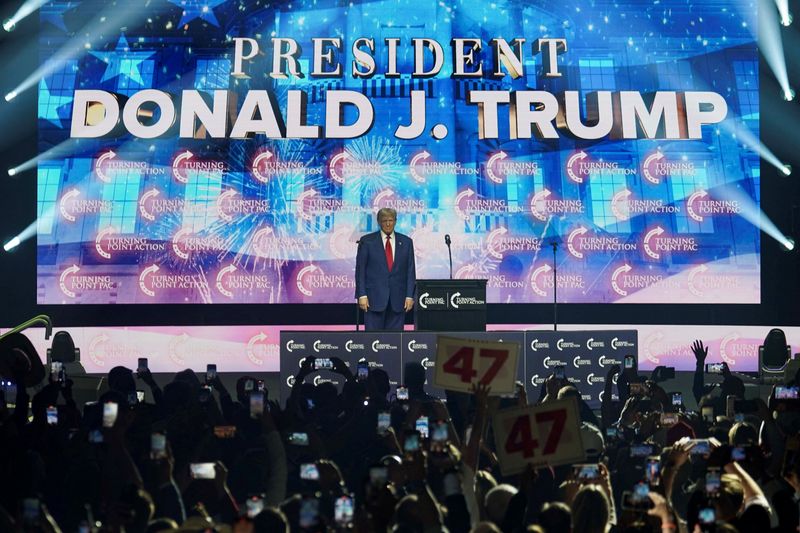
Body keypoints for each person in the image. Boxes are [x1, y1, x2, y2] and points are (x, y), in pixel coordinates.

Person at [355, 207, 416, 331]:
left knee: (395, 343)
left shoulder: (406, 242)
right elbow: (360, 271)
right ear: (379, 222)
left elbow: (410, 271)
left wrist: (410, 296)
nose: (388, 223)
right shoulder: (367, 241)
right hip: (373, 300)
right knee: (373, 341)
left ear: (395, 221)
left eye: (391, 220)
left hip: (398, 300)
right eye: (384, 221)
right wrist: (361, 295)